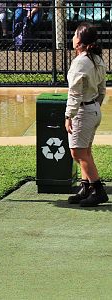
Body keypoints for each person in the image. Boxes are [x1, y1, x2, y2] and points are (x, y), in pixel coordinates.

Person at [65, 22, 108, 207]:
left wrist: (69, 115)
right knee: (85, 151)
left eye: (75, 34)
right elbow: (102, 89)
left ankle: (98, 191)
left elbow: (74, 93)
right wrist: (94, 107)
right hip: (93, 110)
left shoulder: (80, 62)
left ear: (80, 40)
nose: (73, 37)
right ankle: (86, 188)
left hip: (84, 111)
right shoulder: (96, 59)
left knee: (78, 152)